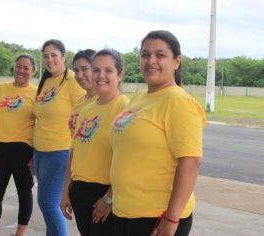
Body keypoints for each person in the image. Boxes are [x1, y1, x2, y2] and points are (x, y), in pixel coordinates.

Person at [110, 30, 206, 236]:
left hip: (156, 217)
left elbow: (190, 162)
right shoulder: (138, 99)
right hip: (126, 211)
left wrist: (171, 218)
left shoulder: (179, 102)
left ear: (176, 62)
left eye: (160, 55)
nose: (151, 60)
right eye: (145, 54)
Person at [61, 48, 129, 236]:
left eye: (108, 71)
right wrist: (66, 190)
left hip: (103, 193)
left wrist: (109, 198)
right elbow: (74, 151)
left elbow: (128, 161)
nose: (100, 76)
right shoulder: (87, 108)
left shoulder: (124, 108)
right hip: (80, 190)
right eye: (96, 70)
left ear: (120, 75)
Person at [32, 39, 85, 236]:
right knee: (47, 204)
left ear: (64, 56)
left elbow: (85, 112)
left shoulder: (73, 81)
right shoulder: (45, 81)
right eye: (45, 56)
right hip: (40, 151)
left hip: (60, 150)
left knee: (48, 203)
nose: (49, 60)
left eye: (54, 55)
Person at [0, 54, 37, 236]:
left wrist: (36, 154)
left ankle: (19, 233)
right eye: (18, 66)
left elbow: (42, 125)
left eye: (26, 68)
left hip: (24, 151)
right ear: (13, 68)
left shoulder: (36, 94)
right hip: (0, 149)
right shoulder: (1, 90)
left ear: (33, 71)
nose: (21, 70)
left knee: (24, 194)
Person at [68, 49, 98, 136]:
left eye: (85, 69)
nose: (79, 75)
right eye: (76, 71)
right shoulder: (80, 101)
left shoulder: (106, 102)